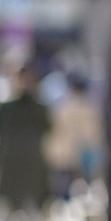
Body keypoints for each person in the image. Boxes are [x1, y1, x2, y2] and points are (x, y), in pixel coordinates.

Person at [0, 64, 53, 213]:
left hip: (31, 159)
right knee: (9, 201)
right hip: (13, 158)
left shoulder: (39, 107)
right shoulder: (7, 107)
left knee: (32, 200)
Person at [45, 71, 103, 199]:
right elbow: (93, 134)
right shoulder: (88, 108)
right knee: (81, 190)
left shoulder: (62, 106)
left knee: (65, 190)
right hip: (80, 154)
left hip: (66, 154)